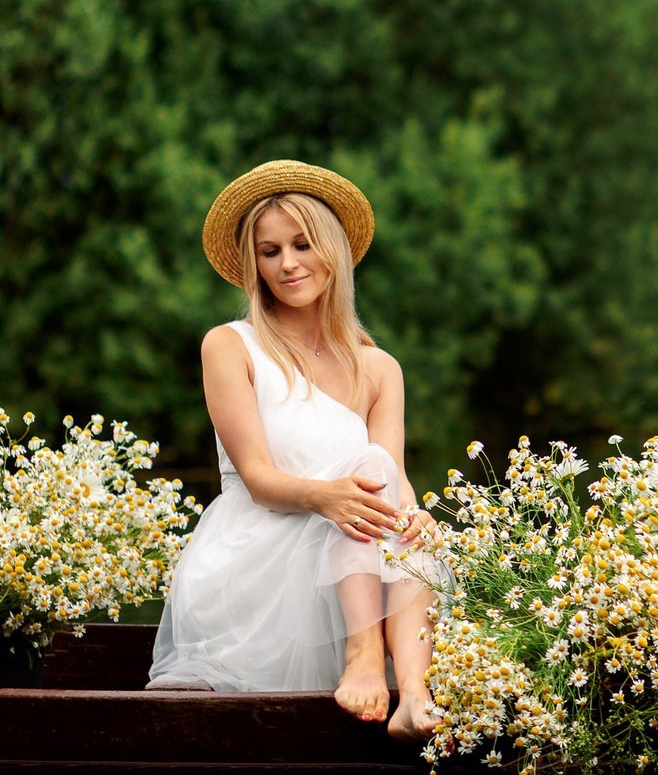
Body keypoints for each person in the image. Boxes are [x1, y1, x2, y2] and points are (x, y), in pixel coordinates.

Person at [148, 161, 442, 736]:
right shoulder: (231, 346)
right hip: (259, 551)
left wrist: (415, 514)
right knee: (365, 483)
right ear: (253, 263)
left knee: (402, 517)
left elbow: (394, 475)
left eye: (302, 244)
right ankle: (364, 654)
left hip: (348, 553)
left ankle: (411, 691)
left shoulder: (378, 368)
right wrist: (330, 497)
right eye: (269, 250)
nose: (287, 263)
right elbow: (257, 478)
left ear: (330, 248)